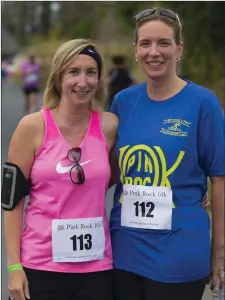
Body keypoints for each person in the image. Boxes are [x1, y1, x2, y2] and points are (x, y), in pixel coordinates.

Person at [109, 7, 225, 300]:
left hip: (179, 253)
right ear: (135, 49)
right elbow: (108, 171)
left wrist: (219, 252)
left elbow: (219, 178)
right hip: (124, 249)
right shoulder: (123, 102)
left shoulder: (203, 103)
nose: (154, 52)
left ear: (179, 48)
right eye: (145, 43)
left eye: (164, 43)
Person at [3, 39, 118, 300]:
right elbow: (12, 201)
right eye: (74, 72)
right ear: (58, 78)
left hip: (96, 267)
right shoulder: (32, 126)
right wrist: (13, 266)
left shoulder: (110, 127)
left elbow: (126, 171)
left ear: (99, 79)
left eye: (91, 72)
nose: (83, 81)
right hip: (41, 265)